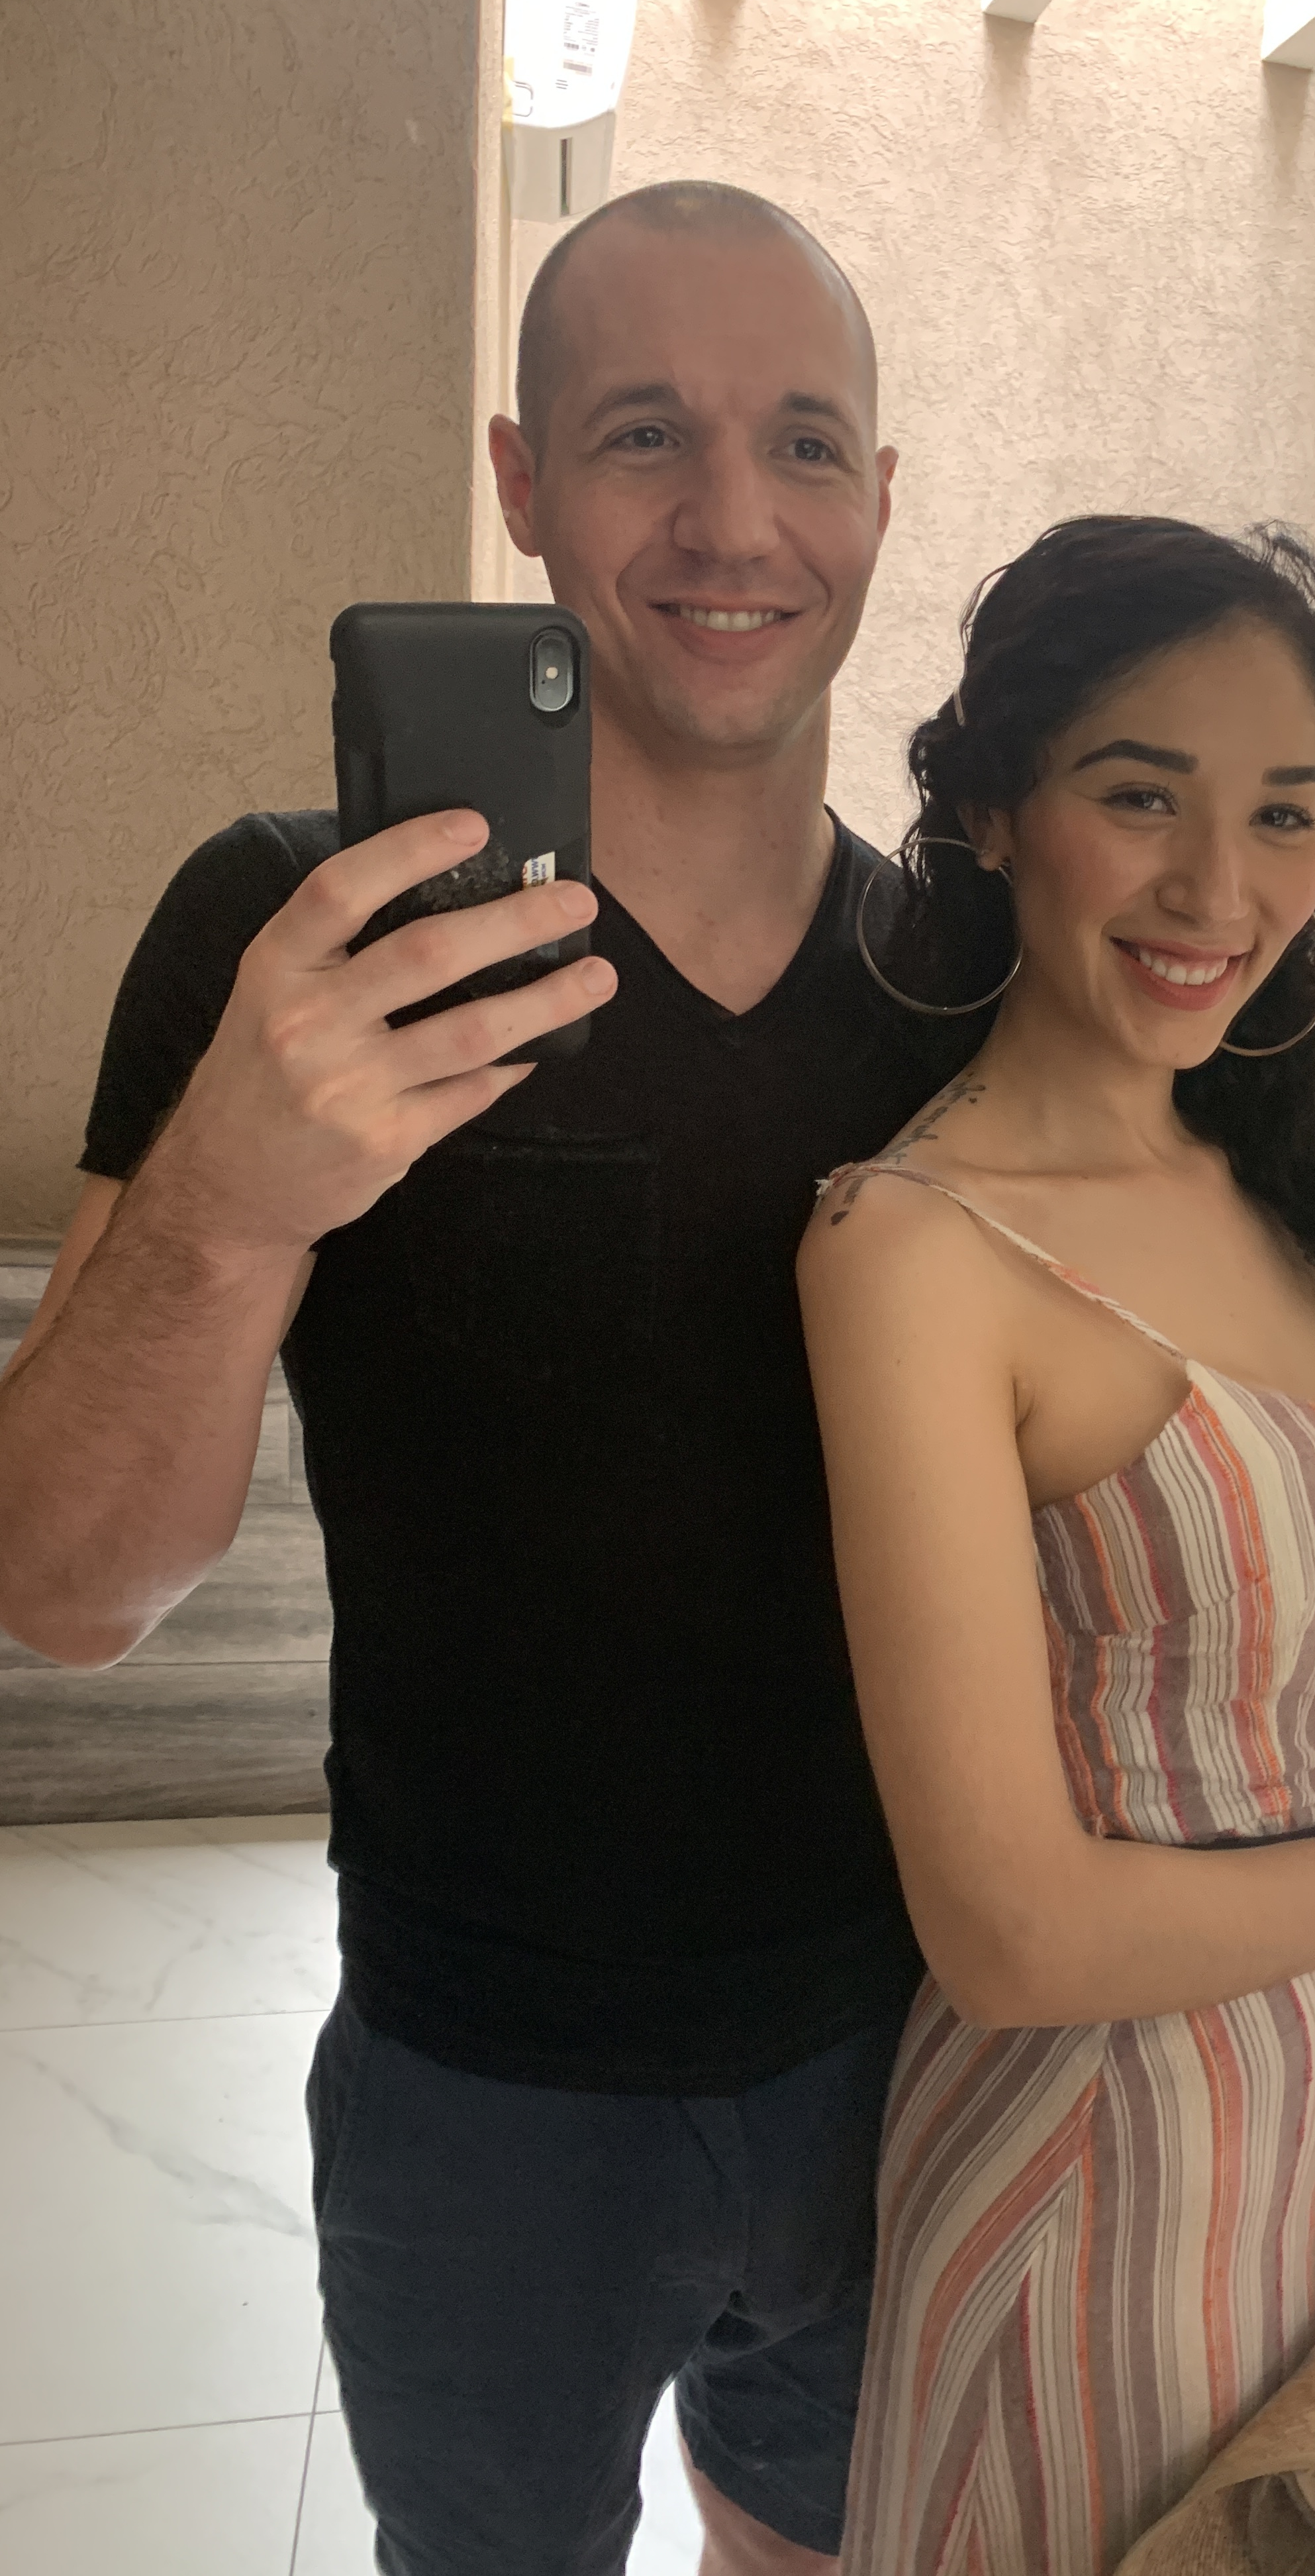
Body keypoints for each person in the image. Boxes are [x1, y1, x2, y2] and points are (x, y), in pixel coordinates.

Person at [0, 183, 977, 2576]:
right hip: (484, 2093)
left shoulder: (961, 985)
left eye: (803, 443)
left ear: (878, 497)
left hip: (912, 2037)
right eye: (645, 434)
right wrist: (235, 1196)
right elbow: (63, 1586)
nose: (733, 520)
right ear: (524, 480)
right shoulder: (303, 935)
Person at [797, 517, 1315, 2576]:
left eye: (1281, 811)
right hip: (1105, 2200)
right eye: (1140, 795)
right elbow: (1017, 1937)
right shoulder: (913, 1251)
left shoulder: (1296, 1180)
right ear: (998, 810)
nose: (1218, 890)